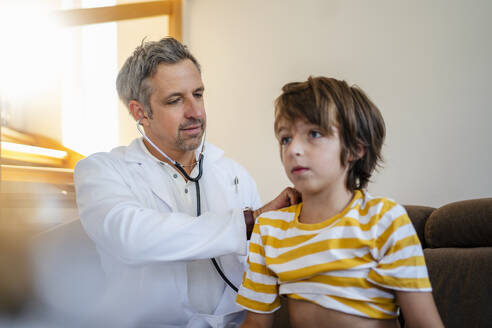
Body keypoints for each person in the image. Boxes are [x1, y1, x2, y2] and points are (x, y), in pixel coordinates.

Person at [73, 37, 299, 328]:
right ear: (139, 112)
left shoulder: (234, 174)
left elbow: (262, 268)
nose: (196, 112)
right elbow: (131, 236)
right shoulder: (102, 171)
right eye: (175, 100)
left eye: (198, 94)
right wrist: (247, 222)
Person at [236, 77, 444, 328]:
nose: (293, 150)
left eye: (314, 133)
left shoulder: (384, 219)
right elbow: (255, 324)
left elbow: (425, 324)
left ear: (355, 149)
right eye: (285, 139)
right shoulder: (270, 229)